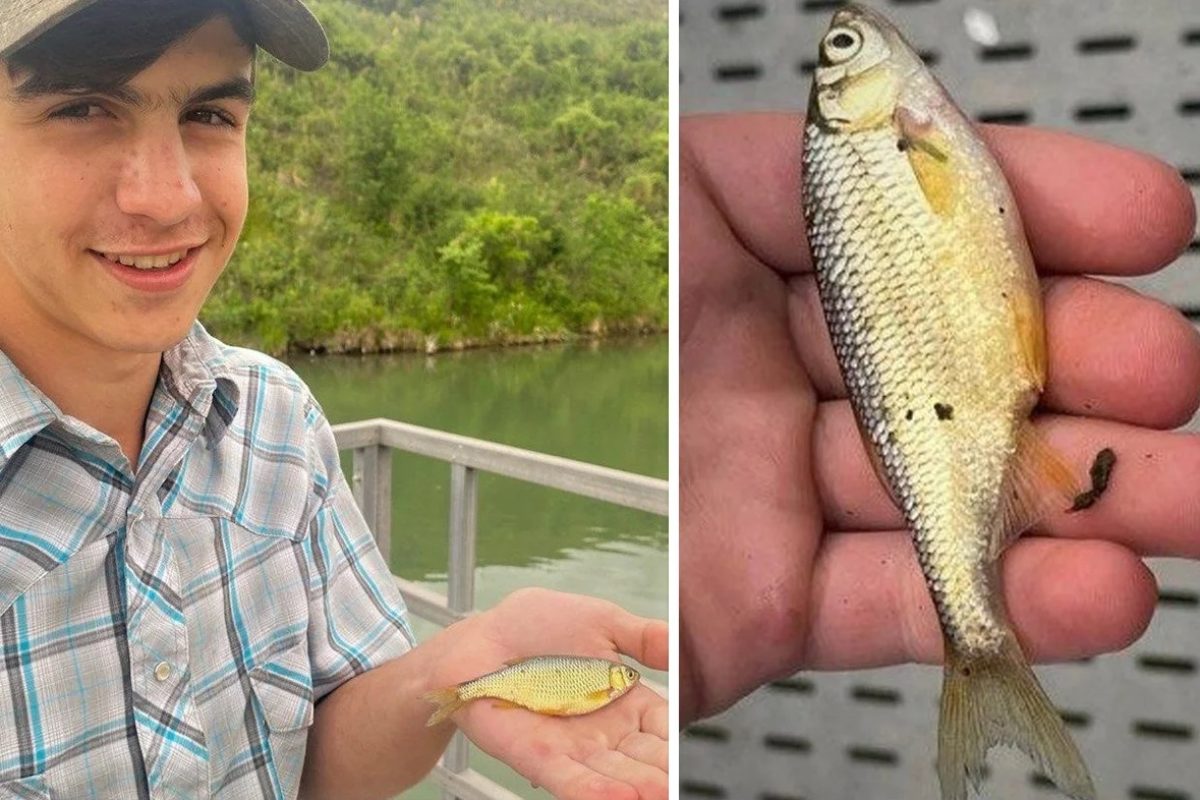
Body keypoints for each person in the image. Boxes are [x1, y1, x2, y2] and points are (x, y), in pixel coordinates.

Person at [0, 1, 667, 798]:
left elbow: (323, 767)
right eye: (83, 108)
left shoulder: (274, 421)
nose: (170, 198)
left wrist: (449, 670)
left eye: (209, 113)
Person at [680, 112, 1200, 725]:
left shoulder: (894, 141)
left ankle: (978, 648)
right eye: (847, 45)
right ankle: (976, 639)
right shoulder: (881, 140)